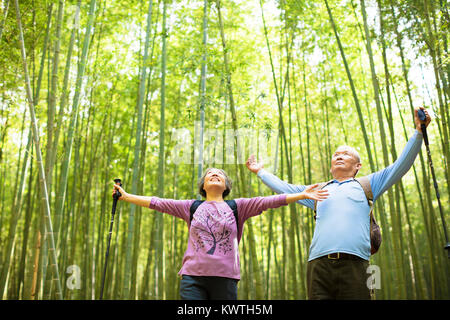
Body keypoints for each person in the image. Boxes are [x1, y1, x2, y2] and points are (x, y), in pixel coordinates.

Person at [246, 107, 431, 300]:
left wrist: (419, 132)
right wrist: (260, 172)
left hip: (356, 264)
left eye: (346, 154)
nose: (339, 156)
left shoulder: (368, 184)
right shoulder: (317, 190)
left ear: (358, 166)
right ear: (331, 164)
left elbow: (401, 165)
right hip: (318, 266)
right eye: (336, 155)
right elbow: (286, 189)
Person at [112, 167, 329, 300]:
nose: (214, 174)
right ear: (203, 185)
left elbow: (269, 201)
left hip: (225, 278)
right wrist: (126, 196)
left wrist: (301, 194)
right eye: (209, 174)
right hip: (192, 278)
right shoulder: (191, 206)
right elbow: (158, 203)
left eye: (219, 174)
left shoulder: (238, 207)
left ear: (226, 186)